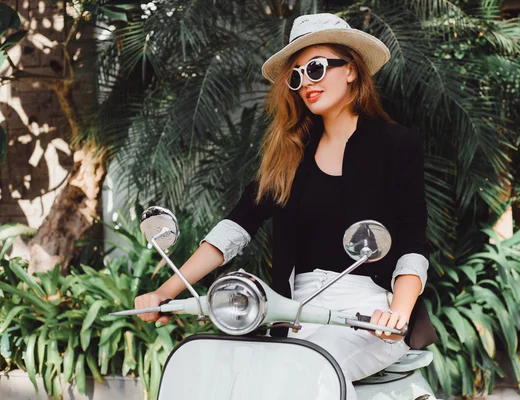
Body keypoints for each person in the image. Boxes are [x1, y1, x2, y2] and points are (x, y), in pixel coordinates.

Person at [135, 12, 437, 399]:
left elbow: (413, 236)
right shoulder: (289, 153)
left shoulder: (396, 144)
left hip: (368, 311)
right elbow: (237, 226)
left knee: (305, 376)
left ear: (351, 71)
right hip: (294, 312)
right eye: (296, 76)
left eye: (316, 68)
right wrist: (165, 291)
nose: (306, 83)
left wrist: (398, 310)